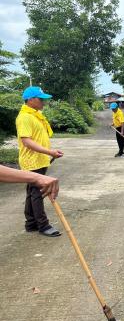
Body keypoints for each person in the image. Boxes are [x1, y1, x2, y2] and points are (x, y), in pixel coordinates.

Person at [16, 86, 63, 236]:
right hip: (32, 162)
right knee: (38, 192)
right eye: (41, 99)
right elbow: (27, 142)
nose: (44, 102)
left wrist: (49, 154)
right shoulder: (24, 117)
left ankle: (31, 223)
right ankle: (43, 225)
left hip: (40, 160)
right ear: (30, 100)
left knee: (32, 192)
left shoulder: (35, 115)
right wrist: (49, 151)